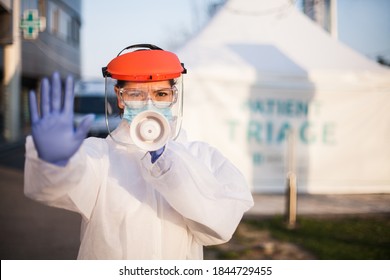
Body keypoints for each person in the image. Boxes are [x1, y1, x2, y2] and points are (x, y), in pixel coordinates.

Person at [24, 44, 254, 260]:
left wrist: (170, 167)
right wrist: (55, 163)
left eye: (161, 94)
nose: (149, 104)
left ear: (174, 96)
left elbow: (221, 226)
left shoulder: (201, 155)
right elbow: (52, 190)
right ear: (120, 97)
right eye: (135, 94)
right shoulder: (99, 156)